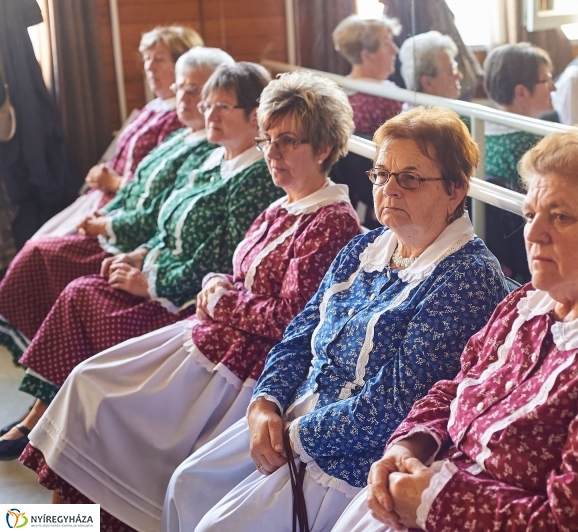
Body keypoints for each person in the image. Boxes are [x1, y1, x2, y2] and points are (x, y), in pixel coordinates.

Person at [20, 70, 364, 531]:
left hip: (243, 365)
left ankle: (68, 522)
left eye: (288, 141)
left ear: (324, 148)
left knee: (102, 403)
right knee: (84, 385)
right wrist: (217, 280)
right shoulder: (282, 204)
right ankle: (56, 524)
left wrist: (221, 302)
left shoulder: (331, 221)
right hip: (209, 335)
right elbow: (241, 269)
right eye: (267, 141)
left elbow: (296, 319)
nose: (273, 154)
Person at [332, 123, 578, 532]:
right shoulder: (531, 302)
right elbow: (458, 386)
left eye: (561, 217)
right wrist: (410, 444)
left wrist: (433, 501)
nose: (534, 232)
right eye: (531, 214)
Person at [160, 106, 509, 532]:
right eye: (381, 174)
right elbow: (299, 333)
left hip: (351, 455)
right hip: (294, 414)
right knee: (187, 485)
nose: (390, 189)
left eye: (410, 178)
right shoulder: (366, 247)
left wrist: (293, 436)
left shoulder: (466, 277)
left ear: (455, 190)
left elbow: (395, 403)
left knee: (218, 526)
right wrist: (265, 403)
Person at [0, 62, 281, 461]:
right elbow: (166, 223)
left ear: (254, 116)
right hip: (157, 270)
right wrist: (140, 253)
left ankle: (48, 425)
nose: (209, 115)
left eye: (222, 107)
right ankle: (44, 419)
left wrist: (150, 283)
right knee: (78, 289)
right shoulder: (214, 159)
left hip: (183, 302)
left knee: (81, 297)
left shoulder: (255, 178)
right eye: (208, 105)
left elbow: (224, 261)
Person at [0, 47, 233, 366]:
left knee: (45, 262)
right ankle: (42, 363)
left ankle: (49, 370)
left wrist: (112, 230)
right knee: (38, 255)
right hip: (130, 239)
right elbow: (137, 187)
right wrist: (107, 215)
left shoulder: (211, 150)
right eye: (181, 87)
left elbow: (158, 217)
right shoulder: (182, 136)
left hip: (138, 248)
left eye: (195, 90)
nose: (184, 96)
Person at [32, 25, 204, 238]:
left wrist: (113, 181)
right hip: (104, 195)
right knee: (38, 239)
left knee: (42, 249)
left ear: (182, 66)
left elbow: (162, 183)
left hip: (128, 207)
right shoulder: (152, 108)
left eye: (159, 59)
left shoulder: (181, 119)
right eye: (147, 58)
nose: (149, 67)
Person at [481, 43, 554, 282]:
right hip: (535, 244)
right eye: (547, 80)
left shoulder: (479, 131)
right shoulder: (538, 145)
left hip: (500, 251)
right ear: (522, 92)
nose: (553, 87)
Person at [330, 15, 403, 226]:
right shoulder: (385, 99)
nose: (394, 50)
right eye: (387, 42)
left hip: (361, 197)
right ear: (367, 54)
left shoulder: (341, 92)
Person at [397, 31, 462, 108]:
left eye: (455, 66)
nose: (459, 76)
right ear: (427, 83)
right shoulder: (419, 118)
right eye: (452, 70)